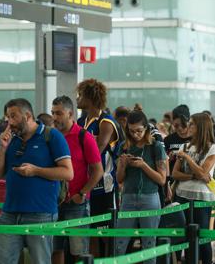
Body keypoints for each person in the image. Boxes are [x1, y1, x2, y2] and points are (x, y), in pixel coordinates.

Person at [0, 98, 73, 264]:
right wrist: (3, 147)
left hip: (41, 214)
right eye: (7, 117)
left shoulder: (51, 136)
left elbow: (68, 173)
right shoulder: (11, 140)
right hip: (10, 213)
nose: (9, 122)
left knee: (40, 261)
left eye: (13, 116)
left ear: (27, 116)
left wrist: (35, 171)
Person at [51, 96, 104, 264]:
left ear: (70, 114)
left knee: (79, 251)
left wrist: (82, 193)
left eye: (59, 113)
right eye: (52, 113)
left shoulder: (84, 137)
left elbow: (98, 170)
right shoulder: (50, 136)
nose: (55, 117)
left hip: (77, 203)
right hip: (53, 202)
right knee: (54, 248)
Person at [77, 79, 122, 257]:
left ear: (90, 97)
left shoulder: (106, 122)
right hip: (85, 183)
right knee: (91, 233)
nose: (78, 98)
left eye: (81, 95)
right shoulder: (81, 121)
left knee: (106, 233)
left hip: (105, 186)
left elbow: (97, 149)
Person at [115, 110, 167, 262]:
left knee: (149, 244)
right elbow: (119, 179)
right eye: (131, 131)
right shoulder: (124, 146)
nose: (135, 134)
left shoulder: (155, 146)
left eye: (139, 131)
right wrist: (123, 165)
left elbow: (162, 179)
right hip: (128, 197)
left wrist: (143, 165)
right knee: (120, 242)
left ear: (146, 129)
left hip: (150, 197)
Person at [173, 113, 215, 264]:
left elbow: (203, 173)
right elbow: (175, 173)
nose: (189, 127)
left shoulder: (213, 149)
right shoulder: (185, 146)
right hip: (182, 195)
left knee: (203, 238)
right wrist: (192, 176)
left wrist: (187, 158)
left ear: (200, 127)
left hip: (202, 198)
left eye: (192, 124)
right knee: (186, 236)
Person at [164, 105, 192, 202]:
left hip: (193, 183)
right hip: (174, 183)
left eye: (183, 125)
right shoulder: (168, 140)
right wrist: (168, 158)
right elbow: (163, 160)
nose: (179, 128)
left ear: (189, 122)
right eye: (176, 126)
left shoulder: (196, 138)